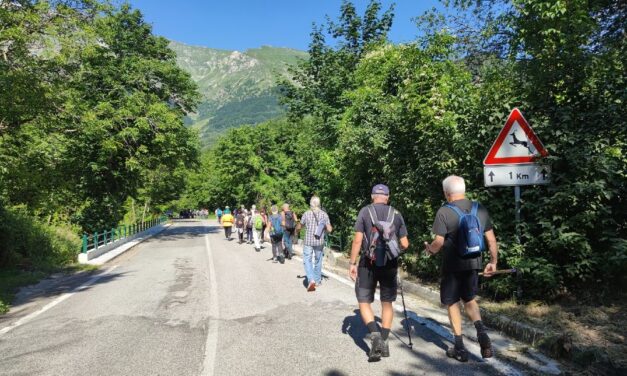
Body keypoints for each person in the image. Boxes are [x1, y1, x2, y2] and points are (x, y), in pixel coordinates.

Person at [424, 175, 498, 362]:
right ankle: (482, 334)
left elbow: (438, 242)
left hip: (452, 265)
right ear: (463, 189)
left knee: (452, 302)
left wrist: (430, 250)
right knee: (470, 299)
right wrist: (493, 262)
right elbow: (491, 240)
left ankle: (460, 348)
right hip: (474, 263)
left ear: (446, 193)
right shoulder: (479, 208)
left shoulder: (444, 211)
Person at [349, 184, 409, 362]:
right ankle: (384, 341)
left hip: (368, 263)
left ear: (372, 196)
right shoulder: (396, 214)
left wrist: (352, 263)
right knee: (387, 302)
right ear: (387, 197)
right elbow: (405, 244)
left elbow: (357, 241)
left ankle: (374, 336)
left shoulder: (365, 212)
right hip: (390, 264)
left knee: (364, 301)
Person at [297, 196, 332, 292]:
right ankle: (317, 280)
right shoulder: (324, 215)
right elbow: (329, 229)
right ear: (319, 204)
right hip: (319, 241)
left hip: (308, 241)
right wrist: (324, 226)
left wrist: (297, 229)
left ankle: (311, 279)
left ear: (311, 204)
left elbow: (300, 226)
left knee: (307, 260)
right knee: (318, 260)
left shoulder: (306, 214)